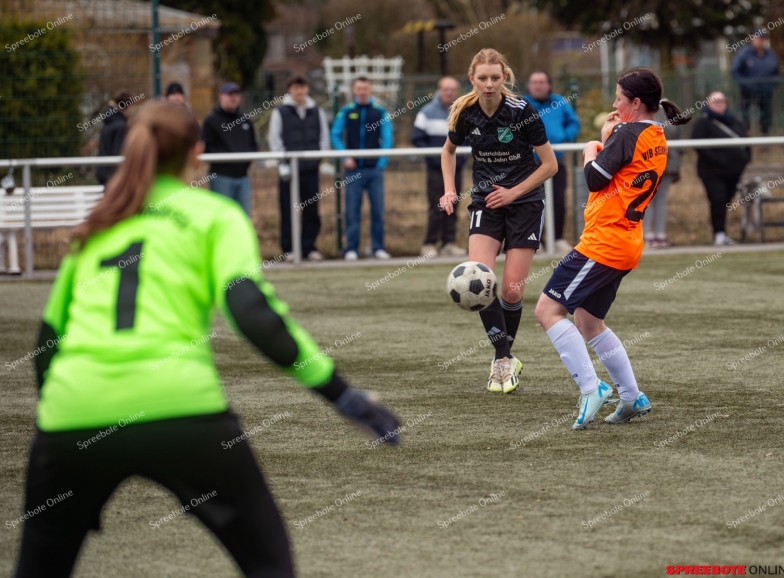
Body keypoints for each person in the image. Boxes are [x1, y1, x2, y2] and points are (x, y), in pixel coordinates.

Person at [13, 101, 400, 578]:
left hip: (73, 415)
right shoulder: (214, 215)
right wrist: (342, 395)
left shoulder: (99, 224)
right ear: (197, 153)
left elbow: (47, 342)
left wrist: (64, 425)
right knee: (269, 564)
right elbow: (253, 315)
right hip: (181, 409)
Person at [534, 67, 691, 429]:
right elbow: (619, 169)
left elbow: (594, 178)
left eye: (619, 98)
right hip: (625, 241)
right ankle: (632, 396)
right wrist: (612, 134)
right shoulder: (655, 133)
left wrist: (594, 145)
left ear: (635, 103)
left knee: (547, 310)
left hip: (603, 242)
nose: (615, 104)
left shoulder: (628, 132)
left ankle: (591, 387)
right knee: (588, 320)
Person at [440, 48, 558, 394]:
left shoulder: (523, 112)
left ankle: (504, 357)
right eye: (482, 78)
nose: (489, 84)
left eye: (495, 77)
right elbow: (447, 151)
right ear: (472, 78)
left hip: (525, 203)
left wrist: (512, 192)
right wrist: (449, 190)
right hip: (485, 203)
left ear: (504, 77)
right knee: (480, 277)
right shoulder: (464, 112)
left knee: (510, 289)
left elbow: (550, 165)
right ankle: (503, 359)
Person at [268, 75, 330, 261]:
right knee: (288, 210)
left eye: (302, 87)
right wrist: (282, 164)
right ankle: (289, 249)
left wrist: (318, 159)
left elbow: (323, 137)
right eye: (295, 87)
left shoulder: (316, 111)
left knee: (311, 209)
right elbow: (275, 139)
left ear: (307, 89)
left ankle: (308, 247)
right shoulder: (280, 112)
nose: (299, 91)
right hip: (289, 170)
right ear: (289, 90)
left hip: (310, 169)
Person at [331, 77, 393, 260]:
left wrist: (381, 163)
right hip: (353, 171)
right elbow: (335, 134)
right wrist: (345, 156)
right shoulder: (347, 111)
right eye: (359, 88)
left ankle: (378, 247)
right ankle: (351, 248)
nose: (362, 91)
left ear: (370, 89)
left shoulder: (380, 112)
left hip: (374, 170)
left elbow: (388, 139)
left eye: (365, 88)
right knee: (352, 210)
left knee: (377, 210)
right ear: (354, 90)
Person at [522, 71, 581, 253]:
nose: (538, 86)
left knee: (558, 199)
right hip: (528, 162)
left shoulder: (560, 102)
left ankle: (557, 238)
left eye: (541, 82)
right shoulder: (520, 103)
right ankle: (534, 239)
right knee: (529, 201)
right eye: (534, 82)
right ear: (529, 85)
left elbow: (574, 123)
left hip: (556, 159)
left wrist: (565, 136)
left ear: (548, 85)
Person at [412, 77, 467, 258]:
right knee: (437, 206)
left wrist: (460, 160)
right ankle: (429, 244)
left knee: (454, 205)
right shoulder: (426, 112)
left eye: (453, 90)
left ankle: (448, 243)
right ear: (439, 90)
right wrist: (435, 158)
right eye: (446, 89)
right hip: (435, 170)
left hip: (456, 169)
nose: (449, 93)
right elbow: (417, 138)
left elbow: (470, 139)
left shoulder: (463, 111)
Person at [691, 91, 751, 245]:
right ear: (707, 104)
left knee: (726, 202)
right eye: (715, 102)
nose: (719, 104)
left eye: (722, 101)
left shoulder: (735, 122)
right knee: (718, 200)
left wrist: (744, 159)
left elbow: (746, 142)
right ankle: (718, 234)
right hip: (712, 172)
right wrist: (719, 161)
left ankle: (723, 233)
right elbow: (700, 148)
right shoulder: (702, 123)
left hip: (733, 172)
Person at [201, 82, 258, 215]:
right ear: (221, 96)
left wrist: (244, 163)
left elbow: (253, 146)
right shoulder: (211, 121)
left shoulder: (245, 121)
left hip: (243, 177)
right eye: (229, 94)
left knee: (244, 217)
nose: (233, 98)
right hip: (221, 177)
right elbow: (207, 148)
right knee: (222, 216)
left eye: (236, 94)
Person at [643, 106, 683, 248]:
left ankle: (660, 234)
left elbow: (677, 136)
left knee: (660, 199)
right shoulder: (643, 107)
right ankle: (647, 234)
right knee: (647, 199)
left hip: (668, 163)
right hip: (648, 164)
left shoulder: (668, 110)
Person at [731, 31, 780, 136]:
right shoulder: (743, 53)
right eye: (757, 38)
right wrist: (747, 84)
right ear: (752, 38)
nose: (760, 41)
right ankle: (745, 137)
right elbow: (735, 72)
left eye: (762, 39)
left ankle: (764, 137)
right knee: (745, 115)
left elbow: (776, 73)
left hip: (765, 92)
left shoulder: (770, 54)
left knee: (766, 116)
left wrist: (771, 85)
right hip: (747, 92)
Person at [96, 92, 134, 186]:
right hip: (113, 176)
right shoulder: (121, 126)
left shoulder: (108, 122)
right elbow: (119, 153)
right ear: (128, 106)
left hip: (103, 171)